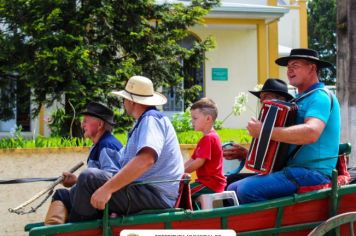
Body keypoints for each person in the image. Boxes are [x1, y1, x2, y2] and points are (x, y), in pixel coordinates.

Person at [227, 48, 340, 204]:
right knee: (232, 188)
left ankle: (275, 227)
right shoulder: (297, 101)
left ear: (312, 68)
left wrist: (264, 131)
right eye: (288, 67)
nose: (289, 70)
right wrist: (248, 154)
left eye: (295, 65)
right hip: (292, 170)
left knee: (247, 190)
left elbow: (312, 132)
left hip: (314, 172)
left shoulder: (320, 96)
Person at [68, 75, 184, 222]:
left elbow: (146, 160)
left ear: (130, 101)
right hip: (146, 191)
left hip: (155, 195)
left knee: (89, 178)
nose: (123, 103)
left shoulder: (151, 119)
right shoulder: (144, 122)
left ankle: (75, 231)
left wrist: (107, 189)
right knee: (73, 191)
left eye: (124, 99)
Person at [44, 101, 123, 225]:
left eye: (86, 121)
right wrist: (76, 181)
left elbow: (111, 180)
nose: (82, 124)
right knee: (61, 194)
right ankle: (53, 230)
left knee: (66, 200)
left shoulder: (107, 145)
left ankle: (66, 229)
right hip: (93, 199)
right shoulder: (98, 145)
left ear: (100, 124)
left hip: (102, 205)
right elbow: (97, 180)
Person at [223, 78, 294, 186]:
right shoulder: (268, 120)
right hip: (270, 174)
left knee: (230, 182)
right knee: (230, 179)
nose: (261, 101)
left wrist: (246, 154)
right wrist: (246, 154)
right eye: (261, 98)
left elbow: (275, 162)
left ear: (280, 99)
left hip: (279, 177)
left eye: (265, 96)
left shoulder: (284, 124)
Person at [184, 98, 226, 199]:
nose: (192, 121)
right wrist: (178, 171)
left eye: (195, 118)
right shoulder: (205, 139)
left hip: (211, 184)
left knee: (182, 193)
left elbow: (199, 162)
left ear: (208, 119)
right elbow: (192, 160)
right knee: (181, 190)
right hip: (206, 183)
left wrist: (180, 174)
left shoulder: (209, 138)